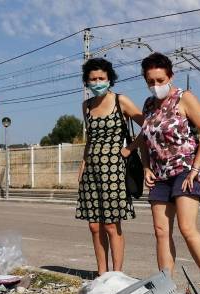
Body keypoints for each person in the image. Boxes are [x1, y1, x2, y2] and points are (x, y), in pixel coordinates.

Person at [136, 52, 200, 294]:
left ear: (170, 76)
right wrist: (145, 167)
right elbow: (144, 139)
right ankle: (165, 284)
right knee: (161, 231)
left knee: (186, 227)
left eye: (160, 80)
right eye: (150, 81)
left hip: (186, 170)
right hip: (159, 175)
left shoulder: (185, 98)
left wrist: (196, 168)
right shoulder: (148, 105)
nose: (155, 85)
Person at [76, 58, 143, 276]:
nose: (97, 82)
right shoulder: (86, 106)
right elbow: (90, 140)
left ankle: (116, 275)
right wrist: (83, 163)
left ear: (109, 79)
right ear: (87, 81)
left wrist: (130, 148)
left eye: (101, 78)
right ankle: (101, 274)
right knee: (94, 226)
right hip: (91, 171)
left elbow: (149, 126)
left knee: (111, 225)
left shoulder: (120, 101)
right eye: (93, 79)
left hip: (114, 171)